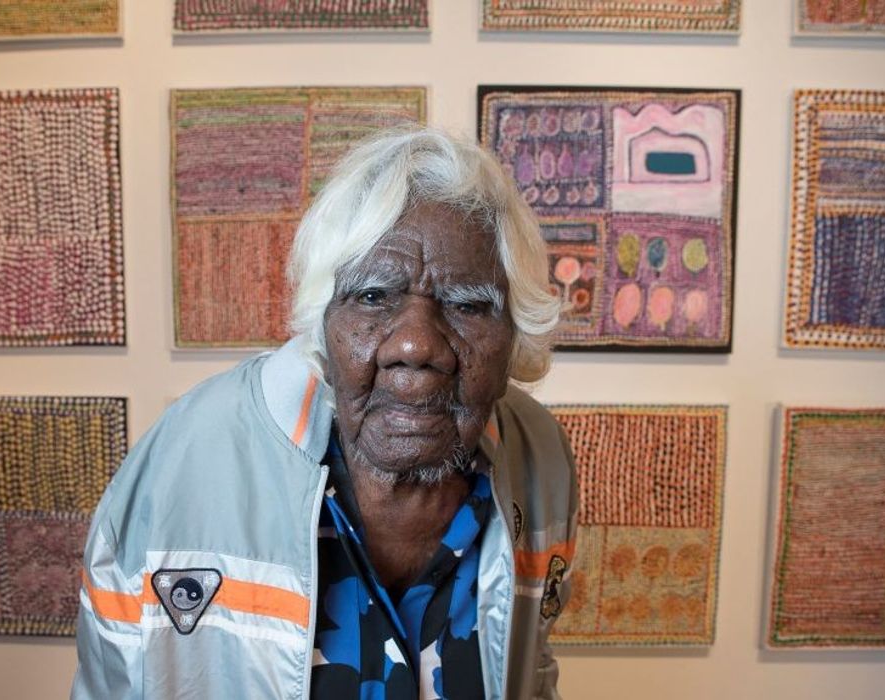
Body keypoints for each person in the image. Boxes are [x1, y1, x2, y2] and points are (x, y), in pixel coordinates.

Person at [72, 126, 578, 700]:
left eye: (466, 304)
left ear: (516, 334)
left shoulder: (541, 459)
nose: (415, 345)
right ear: (322, 323)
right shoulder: (180, 467)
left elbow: (532, 667)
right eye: (372, 296)